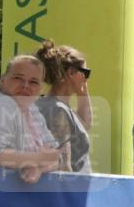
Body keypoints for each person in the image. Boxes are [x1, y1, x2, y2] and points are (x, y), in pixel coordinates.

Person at [0, 54, 64, 183]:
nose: (25, 85)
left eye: (33, 82)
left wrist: (38, 168)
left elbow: (57, 157)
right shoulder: (2, 103)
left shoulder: (31, 108)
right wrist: (37, 159)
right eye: (18, 78)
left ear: (41, 88)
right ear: (3, 80)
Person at [35, 39, 92, 173]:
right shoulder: (57, 110)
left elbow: (85, 124)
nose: (86, 79)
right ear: (71, 72)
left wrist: (82, 92)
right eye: (86, 72)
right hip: (69, 190)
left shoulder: (57, 107)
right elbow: (62, 165)